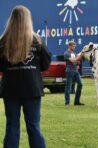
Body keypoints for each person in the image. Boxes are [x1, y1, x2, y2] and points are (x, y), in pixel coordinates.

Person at [0, 5, 51, 148]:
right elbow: (45, 65)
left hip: (11, 90)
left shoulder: (3, 42)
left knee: (11, 126)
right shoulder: (38, 41)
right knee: (34, 126)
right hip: (32, 88)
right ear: (28, 20)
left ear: (11, 20)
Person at [64, 41, 84, 106]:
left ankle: (76, 101)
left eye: (75, 46)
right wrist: (80, 56)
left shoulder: (74, 53)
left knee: (80, 84)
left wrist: (78, 61)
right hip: (69, 71)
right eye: (73, 46)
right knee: (68, 87)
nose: (74, 47)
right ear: (69, 46)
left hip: (75, 71)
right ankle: (67, 102)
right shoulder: (66, 53)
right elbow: (73, 60)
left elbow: (77, 62)